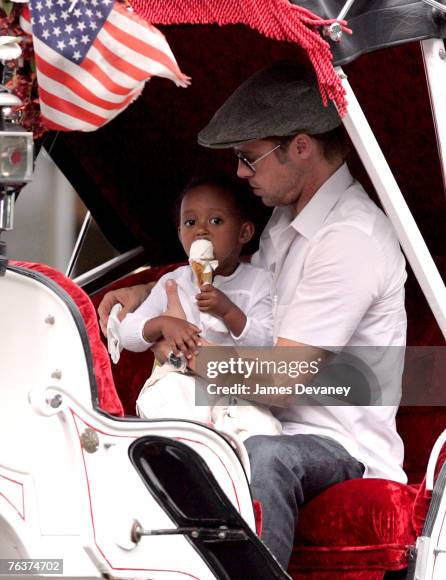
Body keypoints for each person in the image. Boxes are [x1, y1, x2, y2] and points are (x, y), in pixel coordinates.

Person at [98, 62, 407, 569]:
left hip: (338, 444)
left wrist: (188, 355)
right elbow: (236, 288)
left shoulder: (349, 238)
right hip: (255, 419)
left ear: (301, 147)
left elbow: (284, 382)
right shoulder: (286, 222)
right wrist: (151, 290)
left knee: (266, 454)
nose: (240, 172)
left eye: (248, 157)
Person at [116, 175, 282, 439]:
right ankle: (188, 451)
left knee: (260, 427)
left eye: (215, 221)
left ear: (244, 232)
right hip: (183, 381)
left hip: (237, 386)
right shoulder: (174, 282)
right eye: (190, 222)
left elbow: (265, 343)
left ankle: (229, 459)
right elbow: (127, 334)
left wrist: (230, 312)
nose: (201, 230)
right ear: (180, 233)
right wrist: (163, 324)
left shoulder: (259, 283)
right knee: (168, 398)